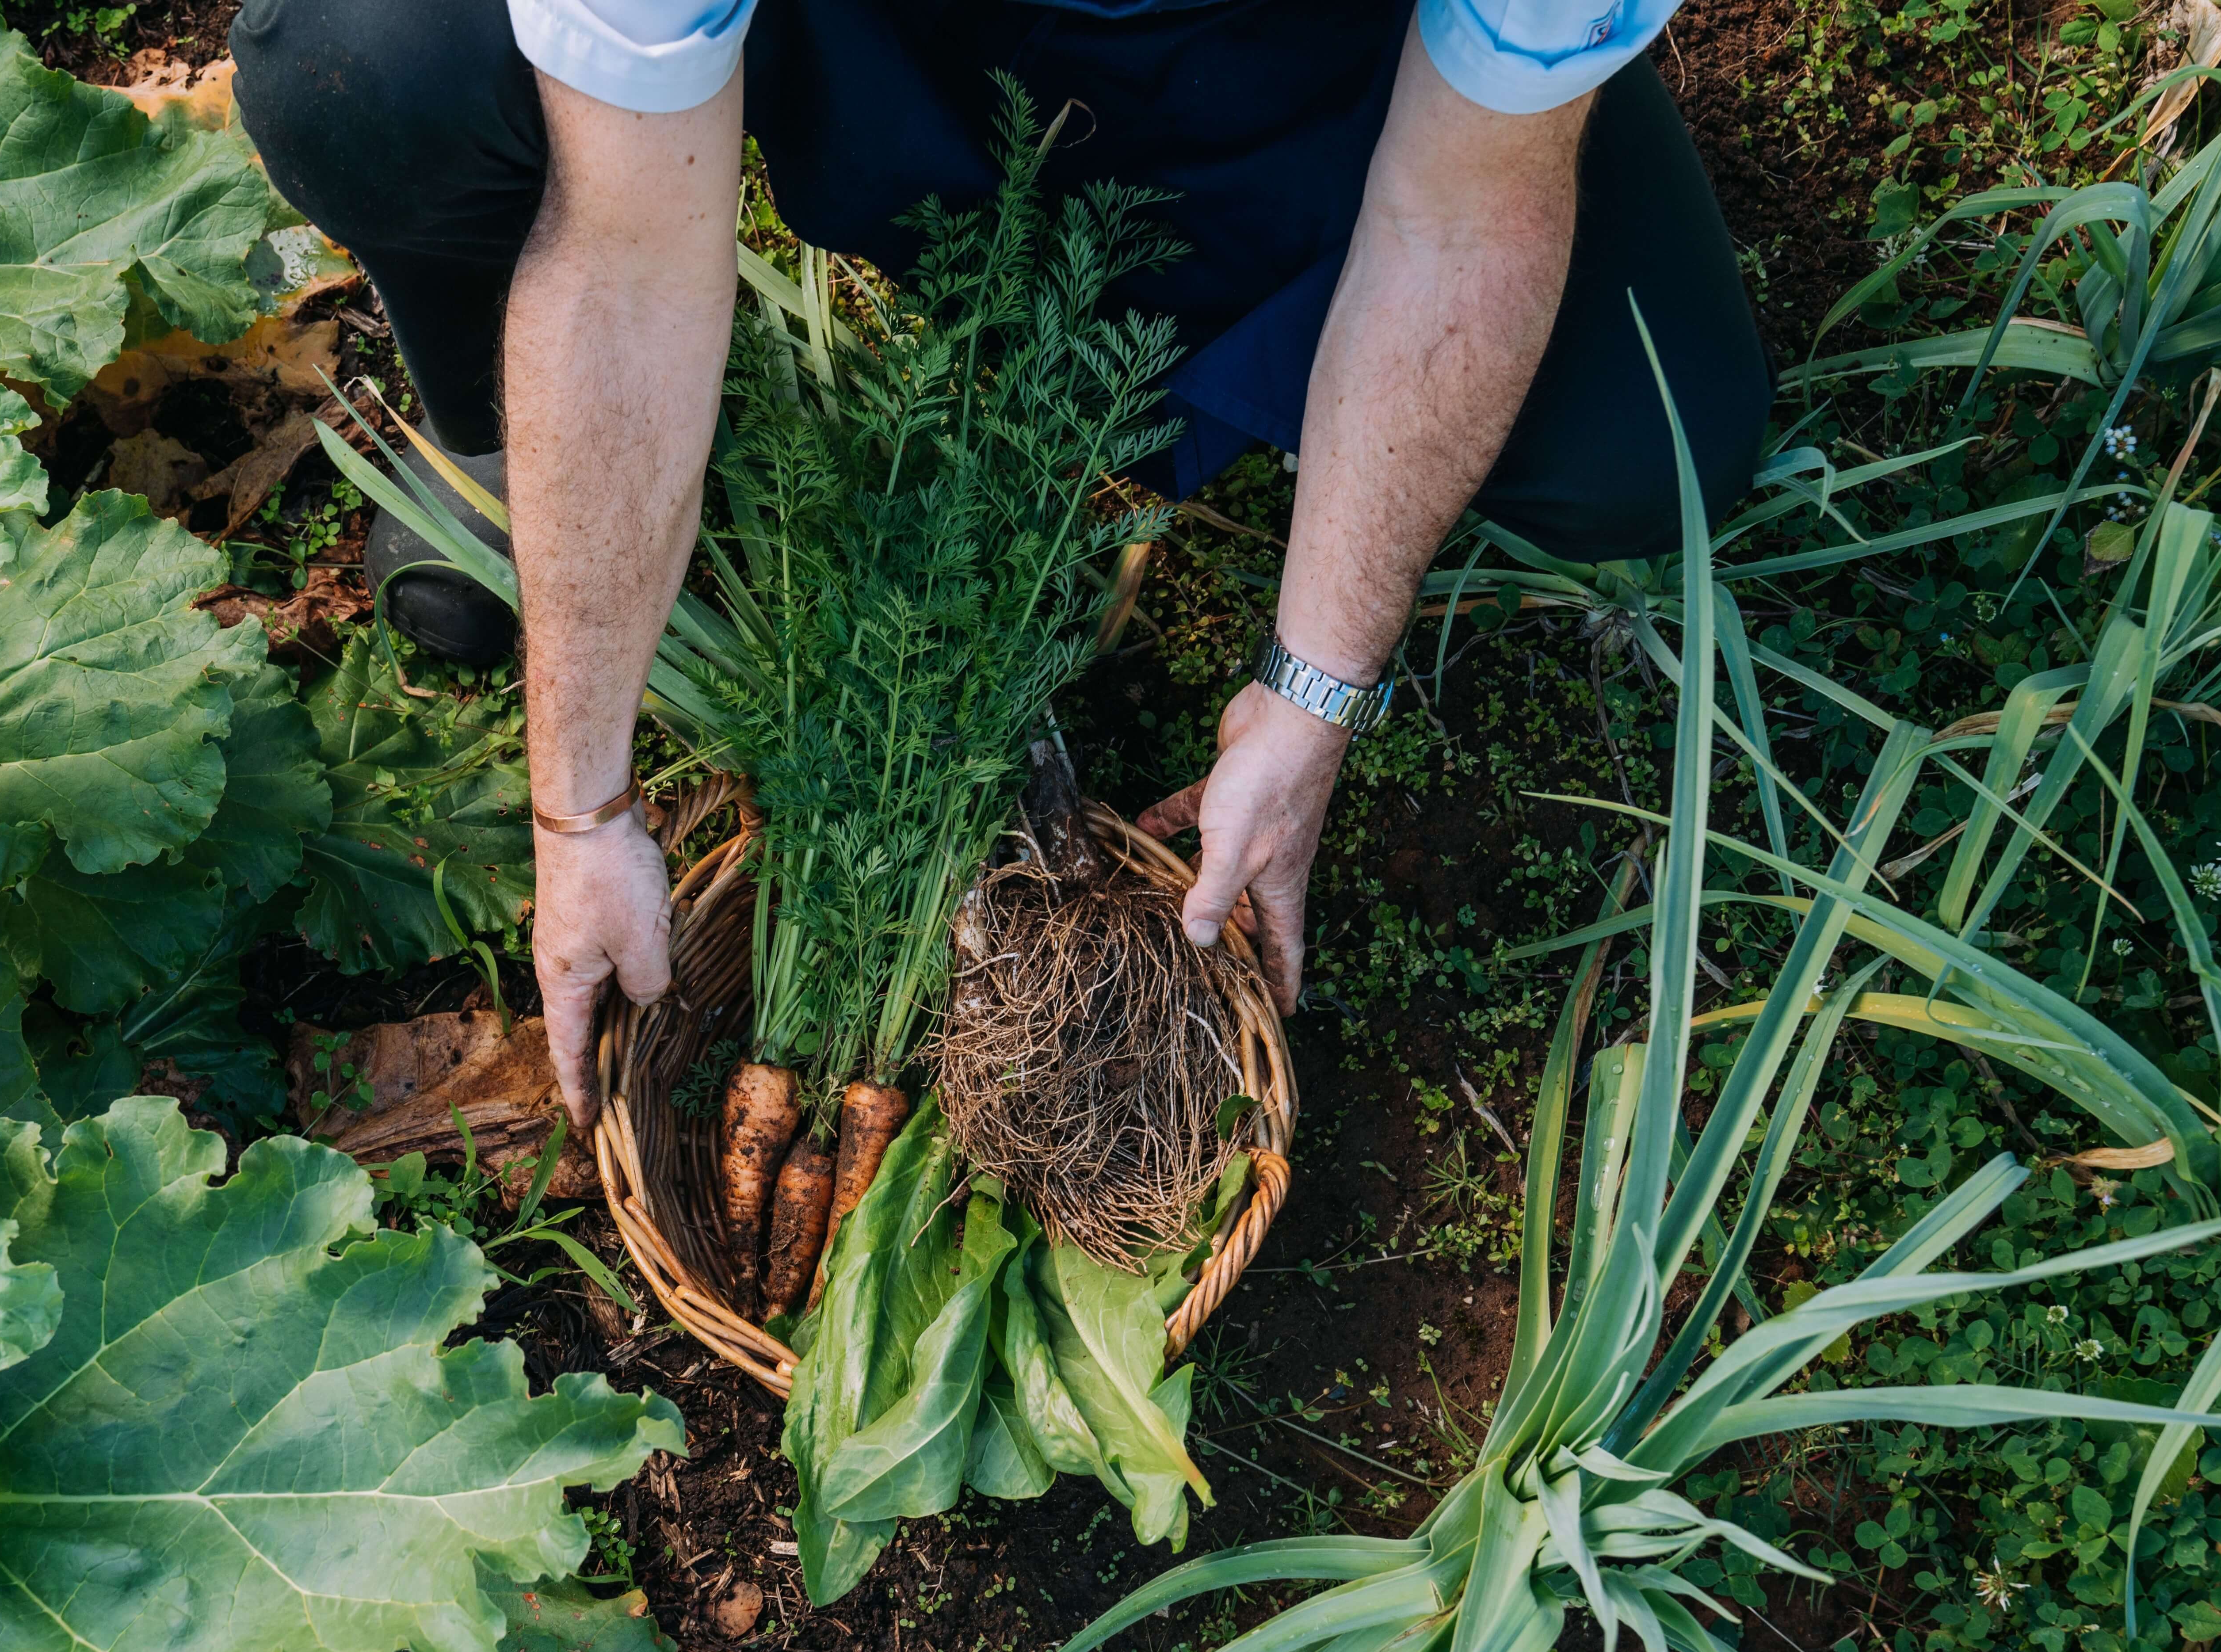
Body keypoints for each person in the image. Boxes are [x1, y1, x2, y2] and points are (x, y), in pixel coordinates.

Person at [230, 0, 1768, 1124]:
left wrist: (1312, 695)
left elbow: (1466, 213)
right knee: (367, 71)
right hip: (903, 45)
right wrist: (583, 801)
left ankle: (1499, 89)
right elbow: (629, 259)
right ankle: (498, 445)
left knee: (1651, 446)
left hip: (1320, 78)